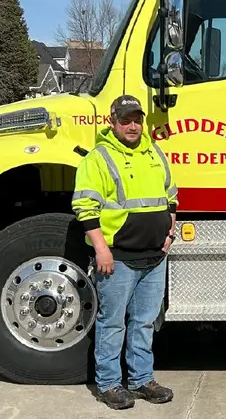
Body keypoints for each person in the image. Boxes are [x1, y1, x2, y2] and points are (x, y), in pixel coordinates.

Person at [71, 95, 179, 411]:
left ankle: (141, 379)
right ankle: (108, 384)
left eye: (137, 120)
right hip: (117, 258)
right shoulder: (98, 158)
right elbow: (85, 208)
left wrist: (169, 233)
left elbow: (171, 197)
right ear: (113, 121)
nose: (132, 126)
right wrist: (101, 249)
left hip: (154, 257)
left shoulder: (154, 153)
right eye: (126, 120)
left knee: (145, 322)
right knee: (113, 323)